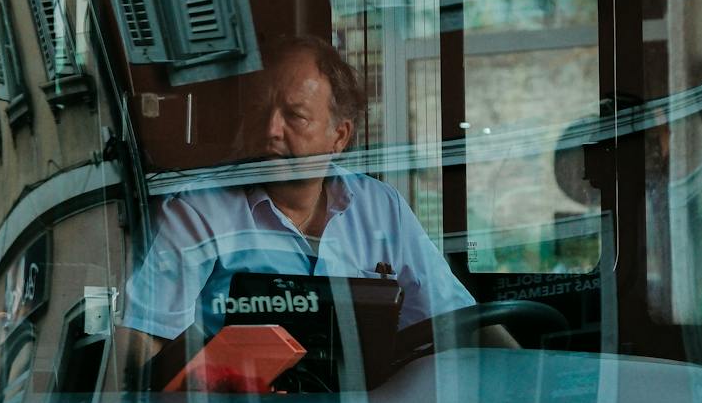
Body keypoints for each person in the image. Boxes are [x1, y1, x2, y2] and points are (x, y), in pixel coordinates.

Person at [119, 35, 504, 373]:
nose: (270, 129)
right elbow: (141, 339)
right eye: (259, 109)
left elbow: (458, 320)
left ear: (339, 136)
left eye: (295, 116)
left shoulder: (379, 208)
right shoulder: (197, 210)